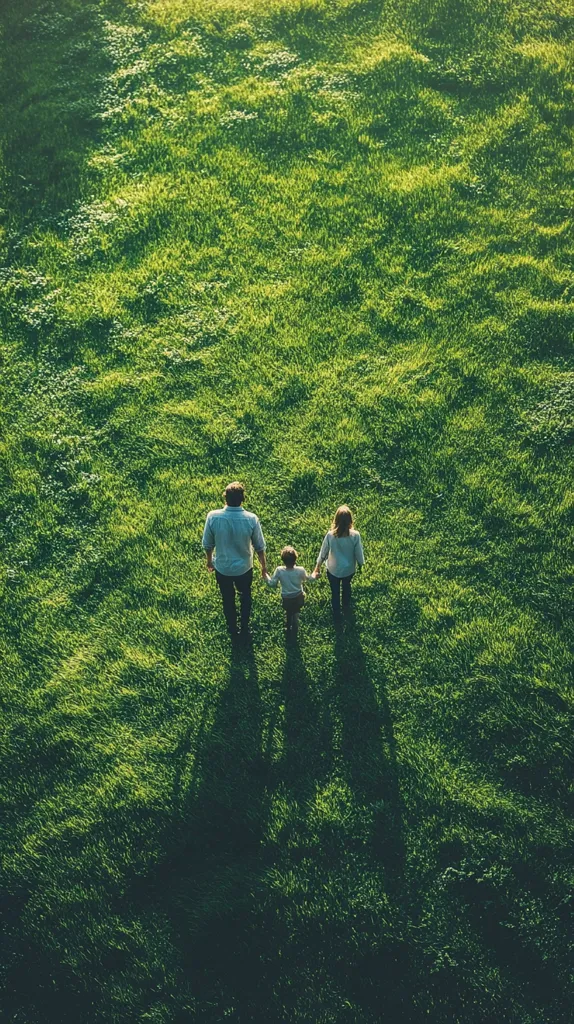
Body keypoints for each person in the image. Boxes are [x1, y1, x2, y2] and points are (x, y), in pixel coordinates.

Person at [202, 481, 267, 636]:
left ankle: (232, 627)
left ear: (225, 498)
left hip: (223, 567)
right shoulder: (251, 519)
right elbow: (259, 546)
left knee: (227, 598)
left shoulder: (213, 517)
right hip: (244, 567)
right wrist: (263, 566)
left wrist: (209, 561)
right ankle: (244, 626)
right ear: (242, 499)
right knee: (245, 595)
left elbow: (207, 544)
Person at [314, 505, 364, 617]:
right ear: (350, 520)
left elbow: (323, 552)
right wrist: (361, 564)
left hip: (333, 570)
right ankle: (346, 605)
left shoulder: (330, 535)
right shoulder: (355, 536)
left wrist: (317, 566)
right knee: (347, 586)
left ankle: (336, 609)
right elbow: (358, 553)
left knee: (335, 591)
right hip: (349, 570)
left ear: (335, 520)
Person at [265, 545, 317, 639]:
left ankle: (288, 627)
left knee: (288, 612)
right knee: (296, 610)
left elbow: (272, 584)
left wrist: (266, 576)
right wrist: (315, 574)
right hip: (298, 596)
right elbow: (308, 579)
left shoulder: (279, 570)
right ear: (295, 558)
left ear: (283, 560)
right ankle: (295, 624)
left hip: (287, 597)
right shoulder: (300, 570)